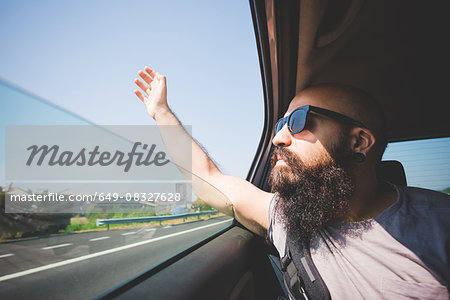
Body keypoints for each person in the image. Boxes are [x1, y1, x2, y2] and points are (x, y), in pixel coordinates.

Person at [133, 66, 450, 299]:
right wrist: (161, 112)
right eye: (281, 123)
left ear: (359, 142)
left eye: (299, 121)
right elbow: (209, 178)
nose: (278, 138)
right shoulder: (286, 217)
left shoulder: (440, 221)